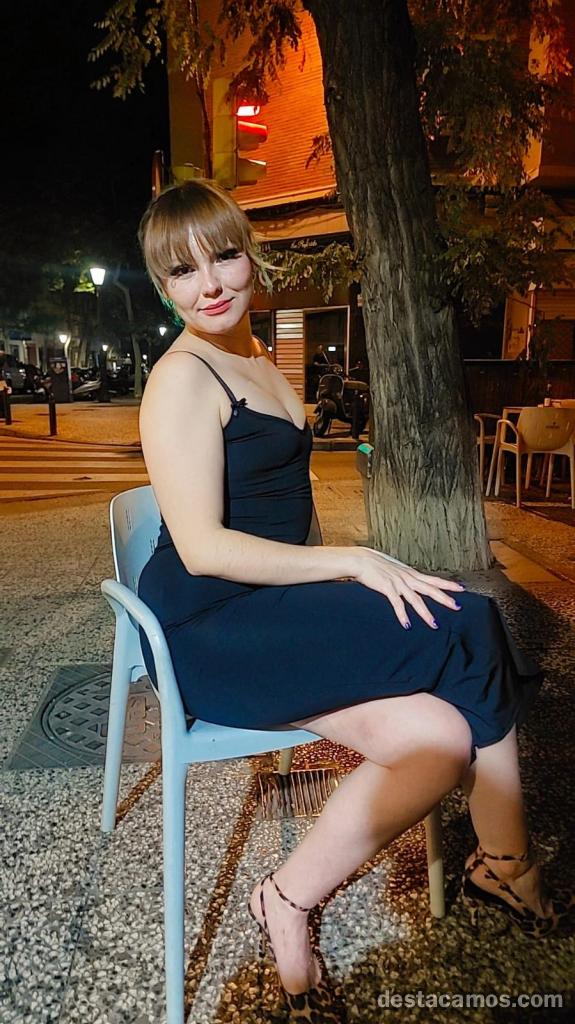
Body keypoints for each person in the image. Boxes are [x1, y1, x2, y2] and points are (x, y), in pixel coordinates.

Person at [136, 180, 572, 1021]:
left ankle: (284, 897)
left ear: (250, 256)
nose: (210, 284)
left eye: (223, 256)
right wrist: (354, 562)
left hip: (264, 609)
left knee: (440, 739)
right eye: (182, 272)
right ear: (163, 287)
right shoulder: (182, 379)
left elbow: (276, 512)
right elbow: (201, 549)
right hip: (208, 629)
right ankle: (506, 864)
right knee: (467, 619)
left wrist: (341, 582)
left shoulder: (255, 356)